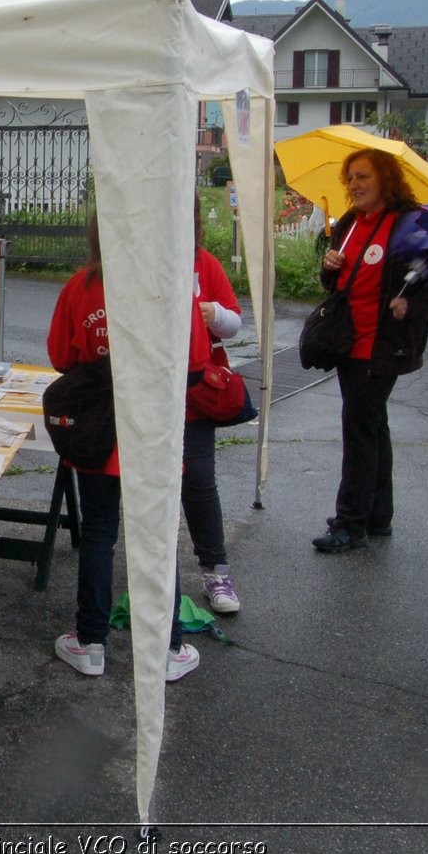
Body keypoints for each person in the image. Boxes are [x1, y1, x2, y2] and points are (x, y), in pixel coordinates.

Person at [47, 211, 200, 682]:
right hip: (153, 434)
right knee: (155, 543)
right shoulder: (172, 285)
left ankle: (91, 641)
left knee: (99, 534)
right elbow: (194, 360)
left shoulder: (82, 285)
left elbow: (60, 356)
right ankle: (168, 646)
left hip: (99, 434)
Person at [311, 147, 428, 553]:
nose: (354, 185)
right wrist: (330, 266)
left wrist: (410, 303)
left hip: (382, 347)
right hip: (347, 341)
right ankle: (377, 515)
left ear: (385, 180)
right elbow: (334, 284)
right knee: (372, 426)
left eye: (363, 177)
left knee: (359, 429)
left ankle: (350, 523)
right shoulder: (351, 224)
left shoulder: (409, 225)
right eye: (351, 177)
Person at [187, 207, 244, 613]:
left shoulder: (204, 263)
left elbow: (235, 323)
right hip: (142, 390)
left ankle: (216, 571)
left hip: (195, 394)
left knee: (200, 480)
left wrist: (213, 314)